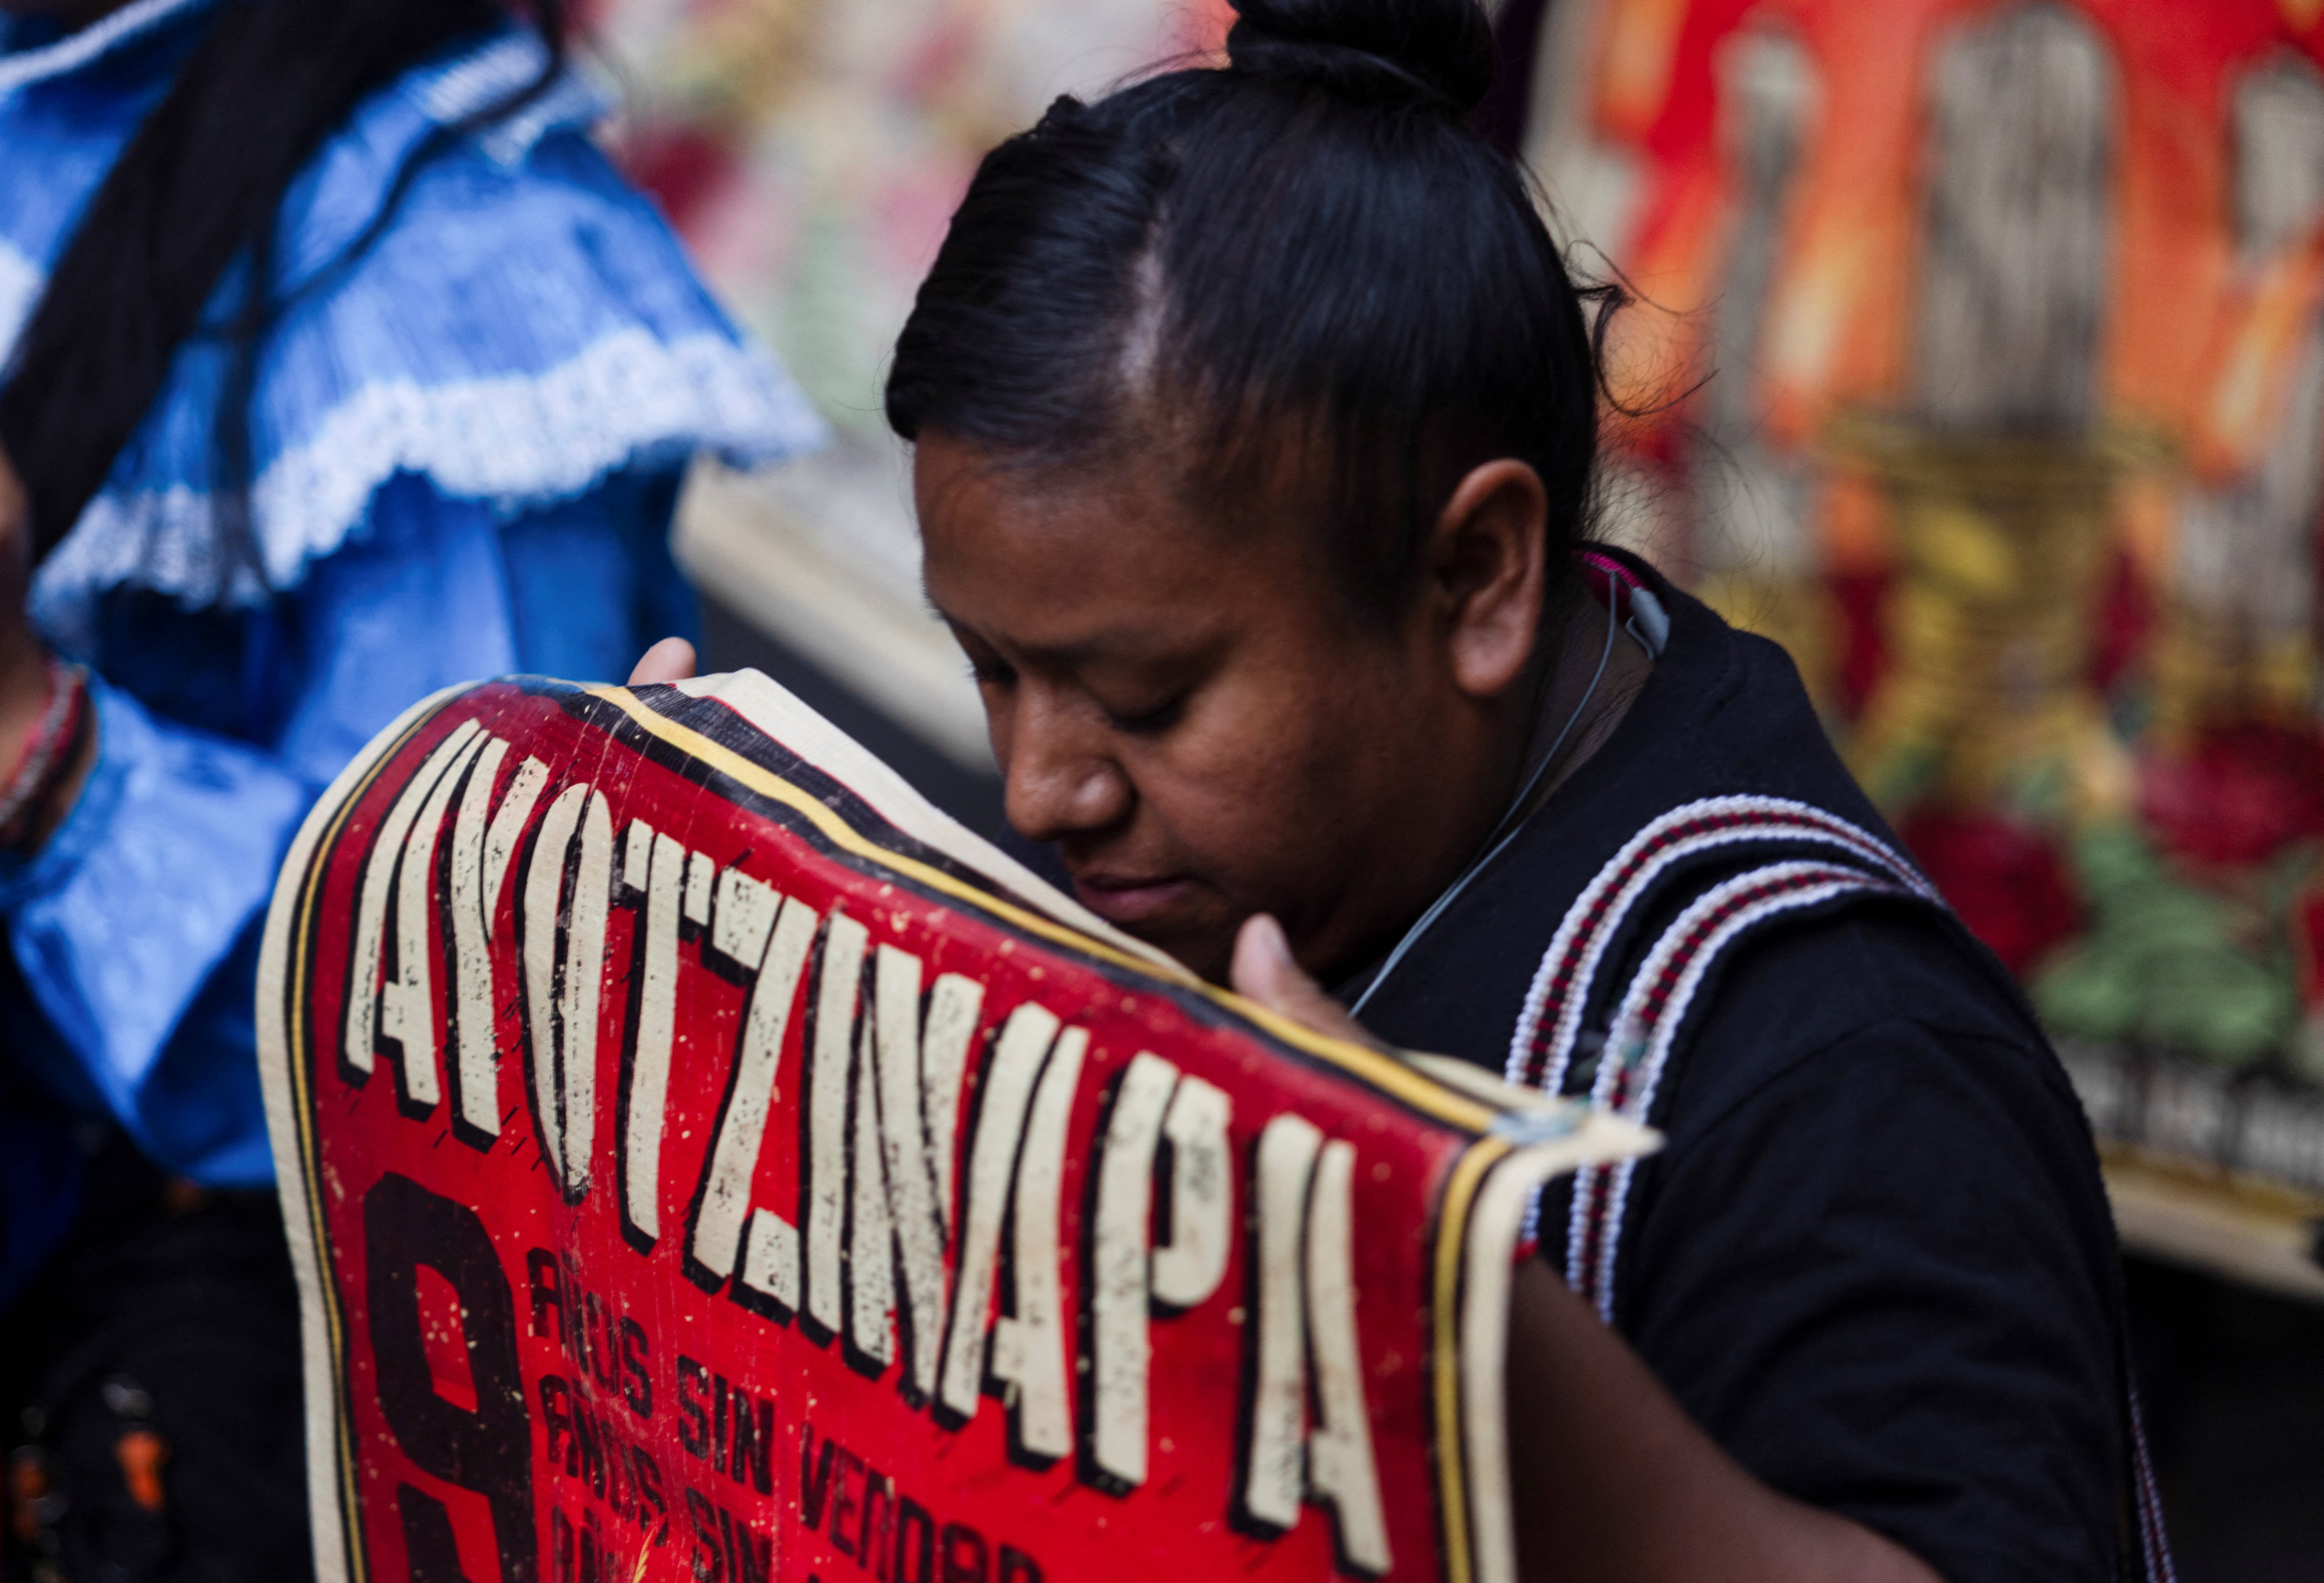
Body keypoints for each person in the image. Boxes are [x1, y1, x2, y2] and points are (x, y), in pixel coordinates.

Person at [875, 0, 2170, 1578]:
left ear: (1479, 577)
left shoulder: (1838, 1080)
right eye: (992, 670)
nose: (1040, 789)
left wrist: (1442, 1296)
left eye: (1148, 697)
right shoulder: (1284, 848)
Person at [0, 0, 819, 1573]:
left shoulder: (461, 264)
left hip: (206, 1350)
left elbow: (457, 1034)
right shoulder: (46, 88)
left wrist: (35, 740)